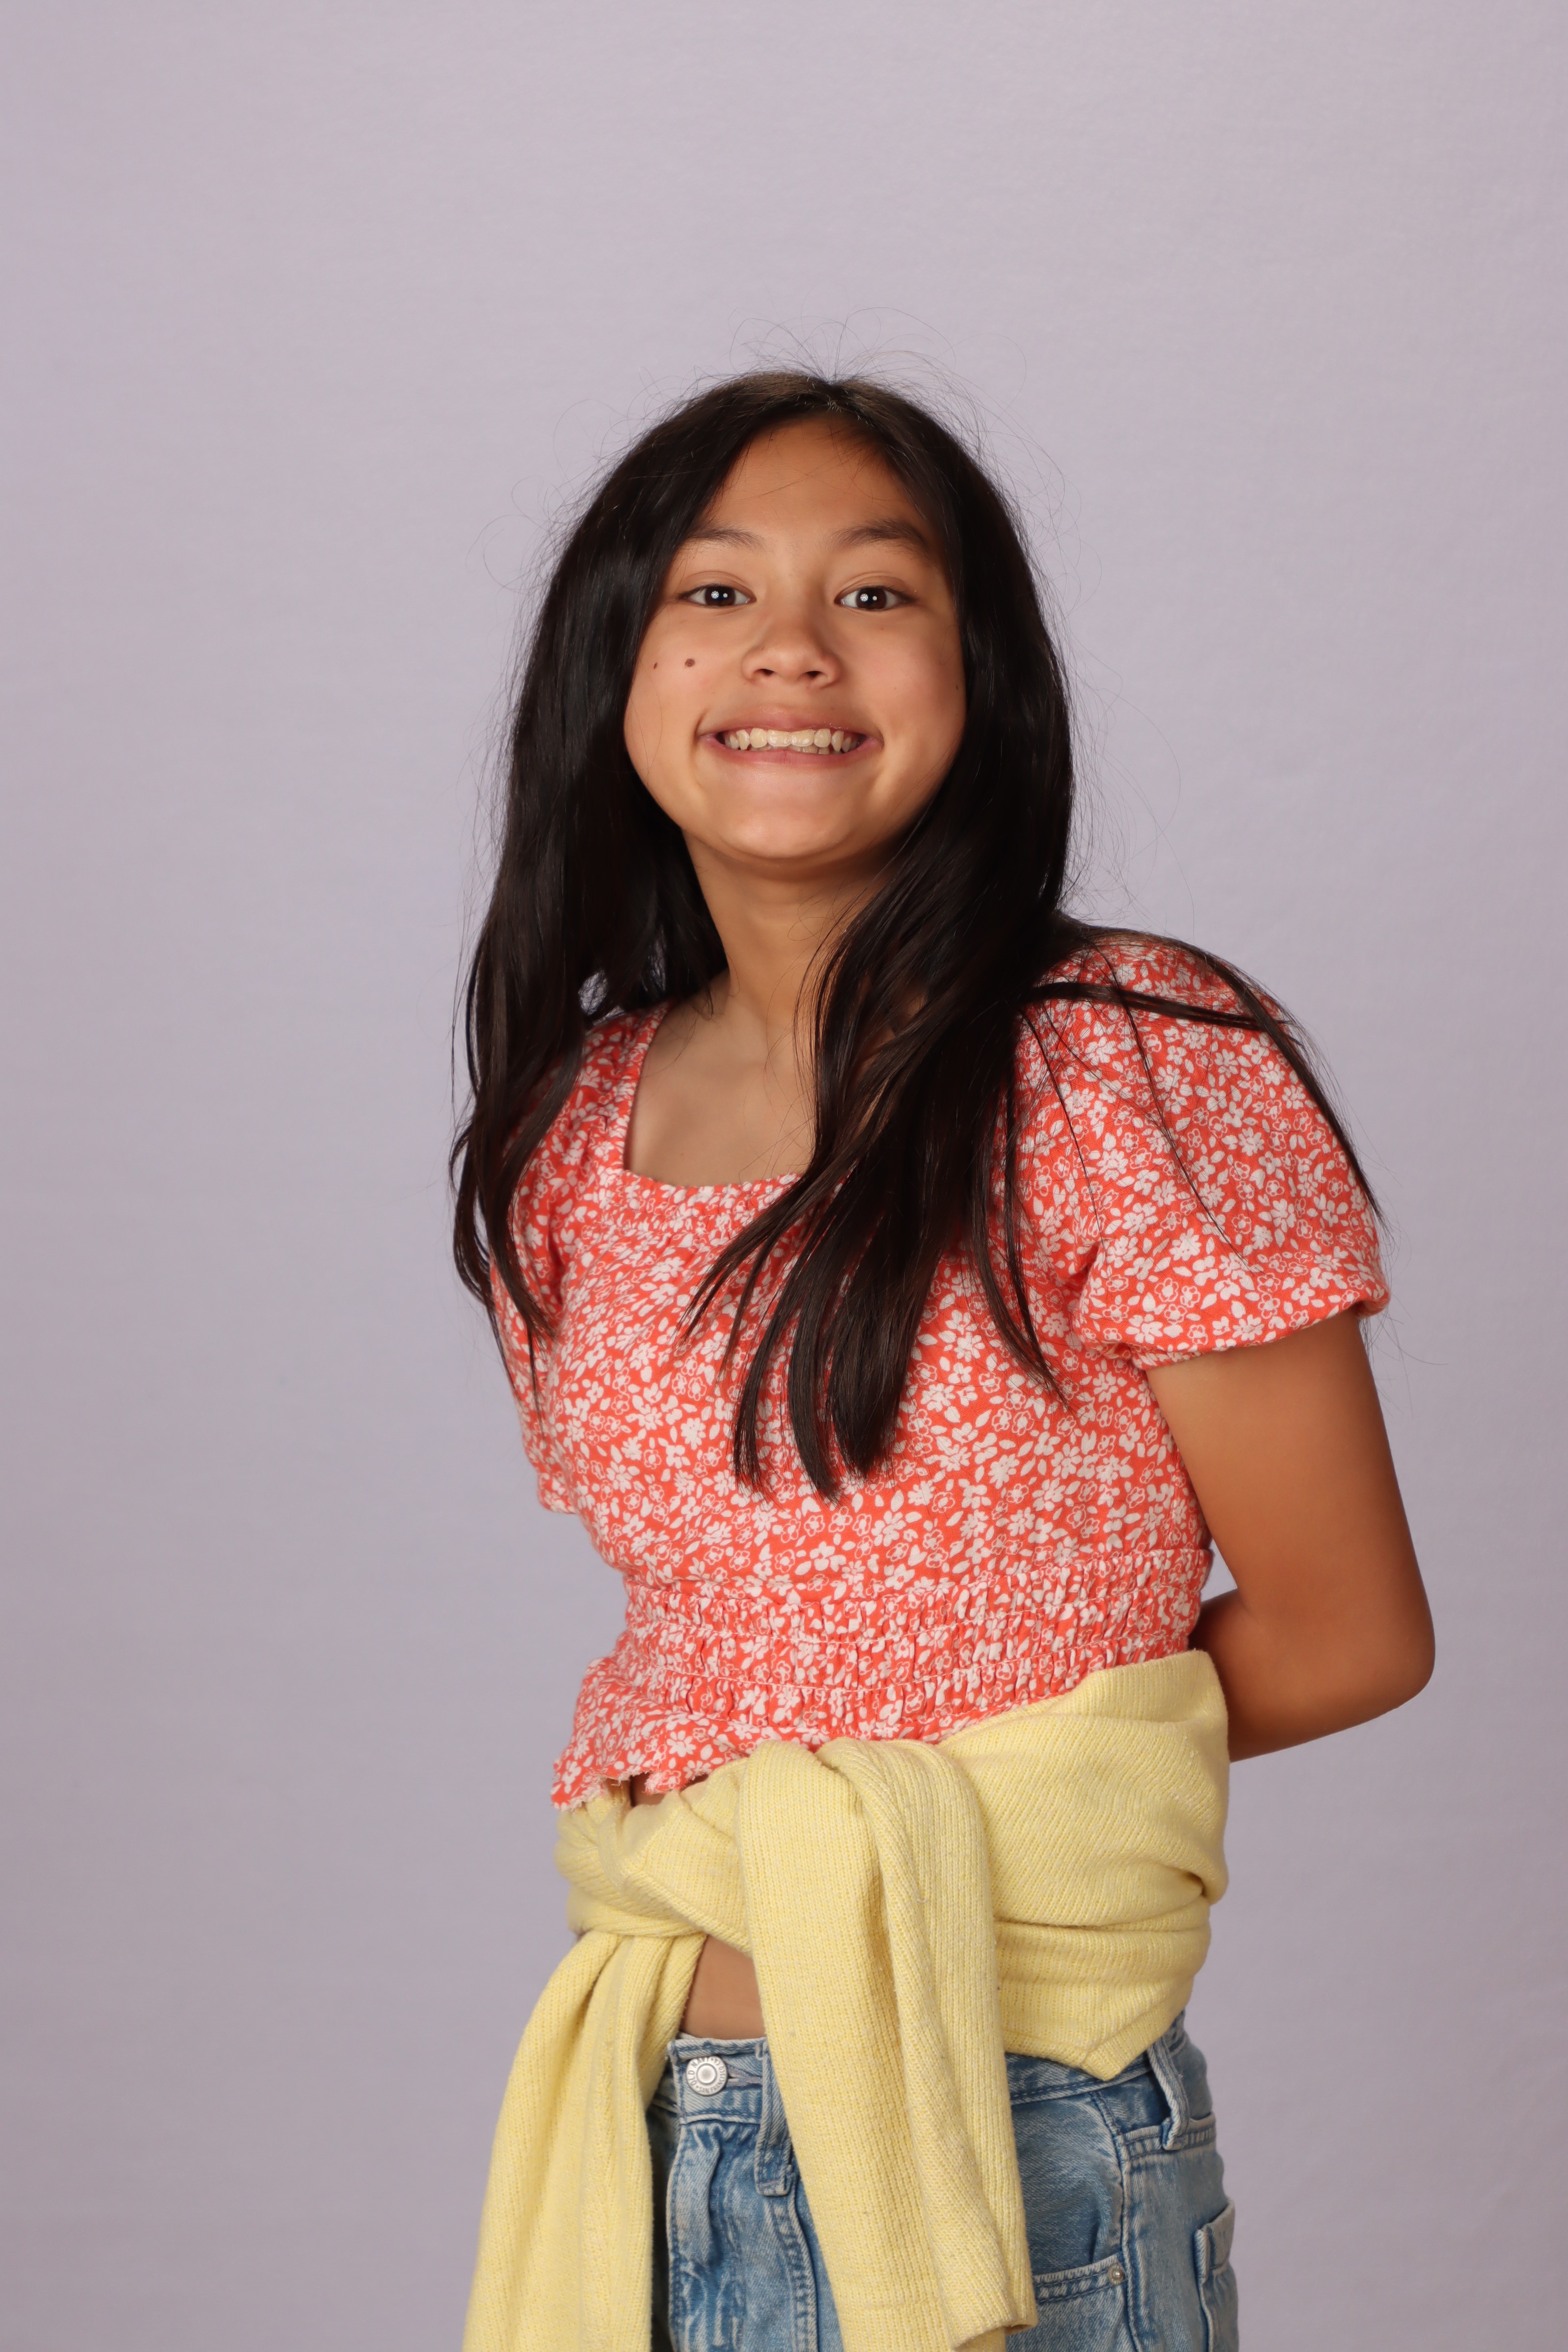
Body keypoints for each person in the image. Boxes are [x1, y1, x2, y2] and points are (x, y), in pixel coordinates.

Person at [450, 372, 1434, 2352]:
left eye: (876, 594)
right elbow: (720, 1623)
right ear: (614, 669)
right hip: (666, 2121)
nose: (790, 650)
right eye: (713, 593)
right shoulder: (575, 1119)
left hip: (1017, 2125)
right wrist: (763, 1834)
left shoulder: (1121, 1061)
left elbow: (1348, 1635)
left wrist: (944, 1809)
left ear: (979, 672)